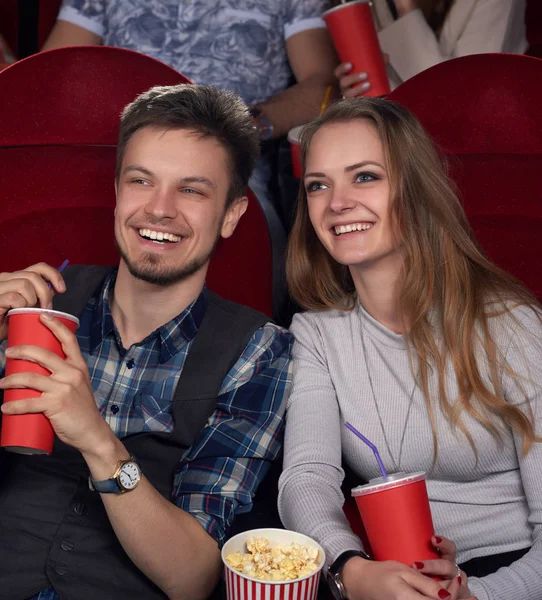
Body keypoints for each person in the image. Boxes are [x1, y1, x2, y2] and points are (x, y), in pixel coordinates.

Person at [0, 84, 293, 600]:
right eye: (142, 181)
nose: (160, 209)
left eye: (192, 190)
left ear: (231, 214)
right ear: (117, 192)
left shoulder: (258, 352)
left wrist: (97, 441)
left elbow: (194, 577)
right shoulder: (38, 306)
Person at [277, 97, 542, 600]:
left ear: (415, 191)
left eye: (365, 177)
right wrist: (349, 569)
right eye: (318, 185)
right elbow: (306, 479)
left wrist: (476, 596)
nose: (337, 202)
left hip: (514, 576)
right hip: (392, 579)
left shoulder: (512, 324)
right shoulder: (317, 335)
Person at [41, 0, 339, 208]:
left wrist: (235, 128)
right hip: (118, 167)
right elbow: (48, 77)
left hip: (231, 172)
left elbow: (324, 85)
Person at [336, 0, 528, 97]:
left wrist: (406, 8)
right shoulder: (375, 5)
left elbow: (461, 99)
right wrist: (356, 96)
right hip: (403, 147)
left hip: (479, 144)